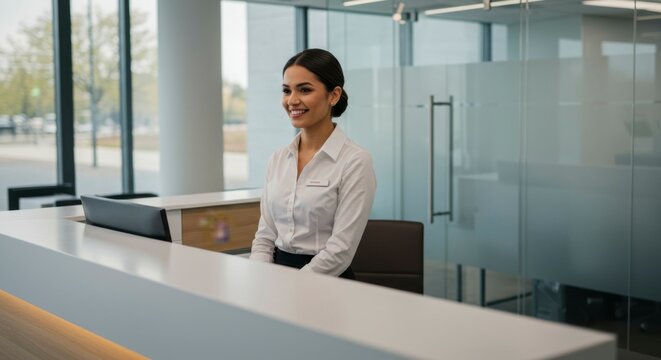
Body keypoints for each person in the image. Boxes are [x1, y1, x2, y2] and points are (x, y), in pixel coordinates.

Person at [249, 48, 376, 279]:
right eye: (287, 90)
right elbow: (265, 236)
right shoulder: (278, 159)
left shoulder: (355, 160)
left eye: (305, 90)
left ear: (333, 96)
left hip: (326, 281)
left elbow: (341, 250)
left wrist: (295, 285)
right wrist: (260, 277)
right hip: (277, 279)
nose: (292, 100)